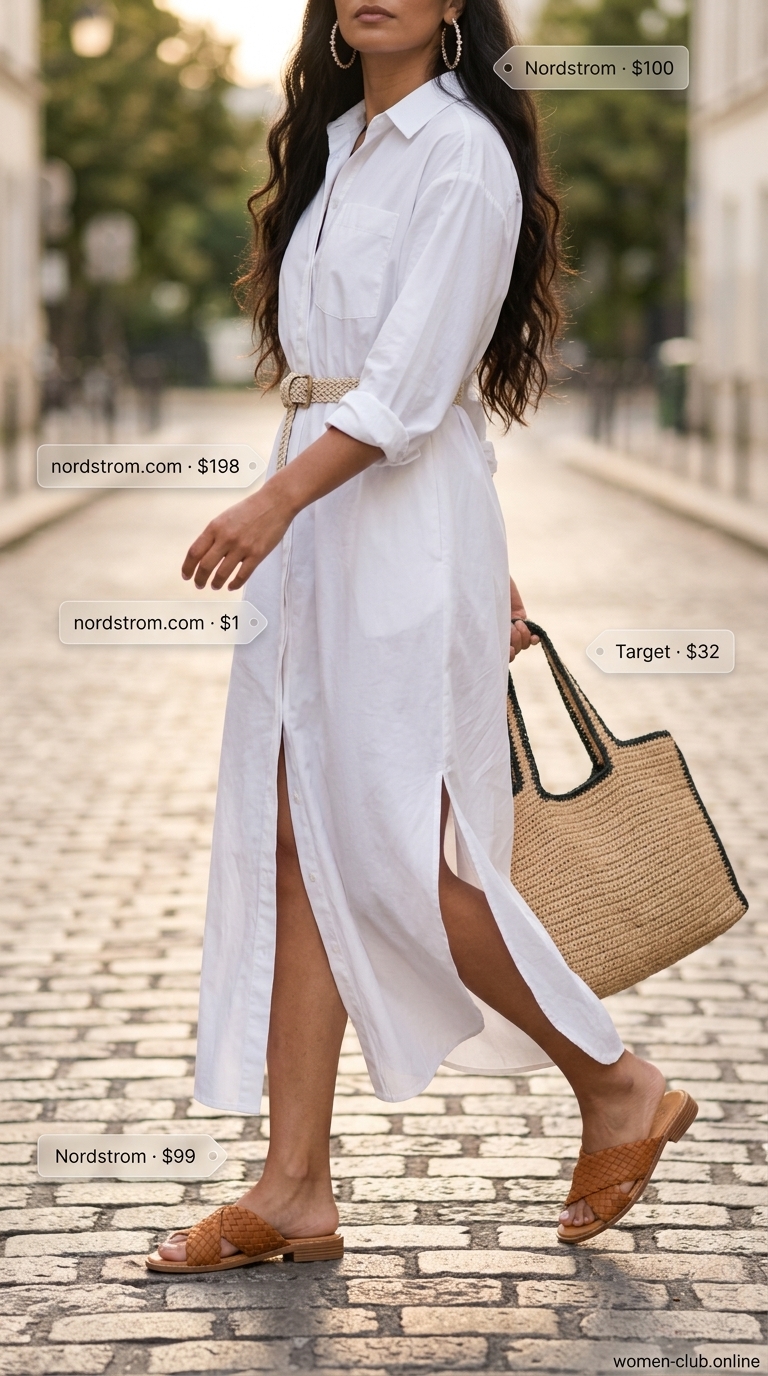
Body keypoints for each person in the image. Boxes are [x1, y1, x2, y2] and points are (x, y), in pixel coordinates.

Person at [147, 0, 696, 1273]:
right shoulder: (340, 144)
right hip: (341, 529)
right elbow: (371, 379)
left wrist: (278, 500)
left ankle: (614, 1080)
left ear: (456, 4)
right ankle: (293, 1188)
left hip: (377, 525)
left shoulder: (464, 154)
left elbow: (409, 387)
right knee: (299, 839)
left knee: (408, 849)